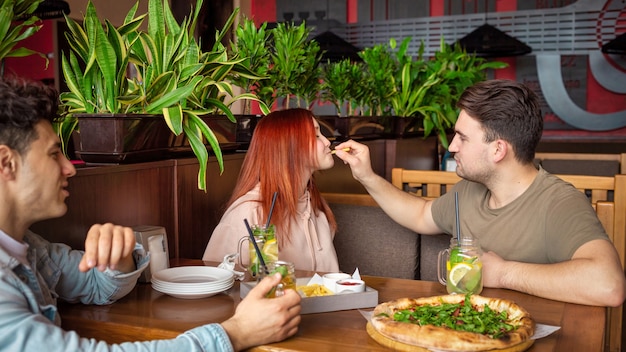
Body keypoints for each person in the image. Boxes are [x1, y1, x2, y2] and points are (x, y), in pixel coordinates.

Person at [0, 77, 301, 351]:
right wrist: (236, 333)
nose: (69, 168)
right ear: (6, 163)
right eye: (54, 154)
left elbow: (97, 286)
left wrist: (120, 258)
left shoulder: (32, 248)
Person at [333, 79, 626, 307]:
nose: (451, 147)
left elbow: (609, 286)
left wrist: (502, 274)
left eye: (462, 137)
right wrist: (367, 177)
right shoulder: (469, 191)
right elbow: (421, 215)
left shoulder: (558, 203)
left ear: (498, 149)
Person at [203, 108, 339, 272]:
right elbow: (220, 279)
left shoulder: (316, 207)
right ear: (290, 146)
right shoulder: (248, 211)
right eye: (316, 136)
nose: (327, 142)